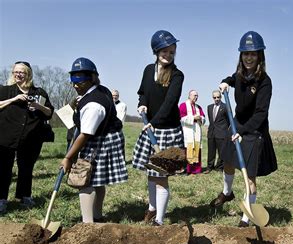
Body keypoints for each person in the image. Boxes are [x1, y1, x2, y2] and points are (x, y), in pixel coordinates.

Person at [209, 31, 278, 227]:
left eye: (253, 54)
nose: (249, 57)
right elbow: (232, 78)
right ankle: (227, 192)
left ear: (259, 57)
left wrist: (244, 131)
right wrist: (225, 82)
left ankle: (247, 217)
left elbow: (260, 114)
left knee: (249, 177)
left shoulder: (265, 81)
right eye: (245, 54)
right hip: (238, 125)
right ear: (241, 56)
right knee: (228, 162)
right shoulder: (239, 75)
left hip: (254, 131)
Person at [60, 57, 127, 223]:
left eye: (81, 80)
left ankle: (88, 224)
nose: (76, 85)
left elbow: (85, 134)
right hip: (104, 136)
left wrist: (68, 157)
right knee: (97, 180)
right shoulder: (101, 90)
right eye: (73, 79)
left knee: (85, 180)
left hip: (100, 141)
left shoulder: (93, 105)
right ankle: (97, 217)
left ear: (92, 78)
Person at [132, 30, 185, 226]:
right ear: (156, 51)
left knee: (161, 177)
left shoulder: (178, 75)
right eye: (165, 52)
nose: (168, 56)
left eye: (172, 52)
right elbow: (143, 92)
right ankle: (152, 208)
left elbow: (170, 102)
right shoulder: (148, 70)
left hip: (167, 130)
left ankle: (159, 221)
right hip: (150, 127)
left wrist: (153, 122)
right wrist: (142, 104)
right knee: (151, 173)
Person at [0, 61, 54, 214]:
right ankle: (1, 199)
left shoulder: (39, 92)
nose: (18, 74)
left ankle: (25, 196)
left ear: (28, 74)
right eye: (15, 72)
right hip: (6, 136)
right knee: (4, 168)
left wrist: (39, 107)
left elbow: (49, 112)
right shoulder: (5, 90)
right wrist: (14, 99)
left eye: (21, 72)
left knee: (26, 168)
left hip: (31, 137)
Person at [179, 90, 205, 174]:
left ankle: (196, 170)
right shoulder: (183, 105)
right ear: (189, 96)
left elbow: (203, 117)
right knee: (187, 149)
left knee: (197, 149)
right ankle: (187, 169)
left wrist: (200, 118)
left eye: (197, 96)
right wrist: (193, 118)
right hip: (188, 131)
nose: (196, 97)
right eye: (194, 95)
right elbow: (181, 118)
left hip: (196, 131)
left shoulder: (198, 107)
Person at [203, 90, 229, 174]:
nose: (216, 99)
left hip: (222, 133)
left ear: (221, 97)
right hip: (211, 133)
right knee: (211, 152)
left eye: (218, 97)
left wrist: (224, 130)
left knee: (221, 152)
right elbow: (211, 121)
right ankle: (209, 167)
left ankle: (219, 167)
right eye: (214, 97)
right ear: (212, 98)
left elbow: (229, 120)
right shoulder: (209, 107)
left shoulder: (225, 107)